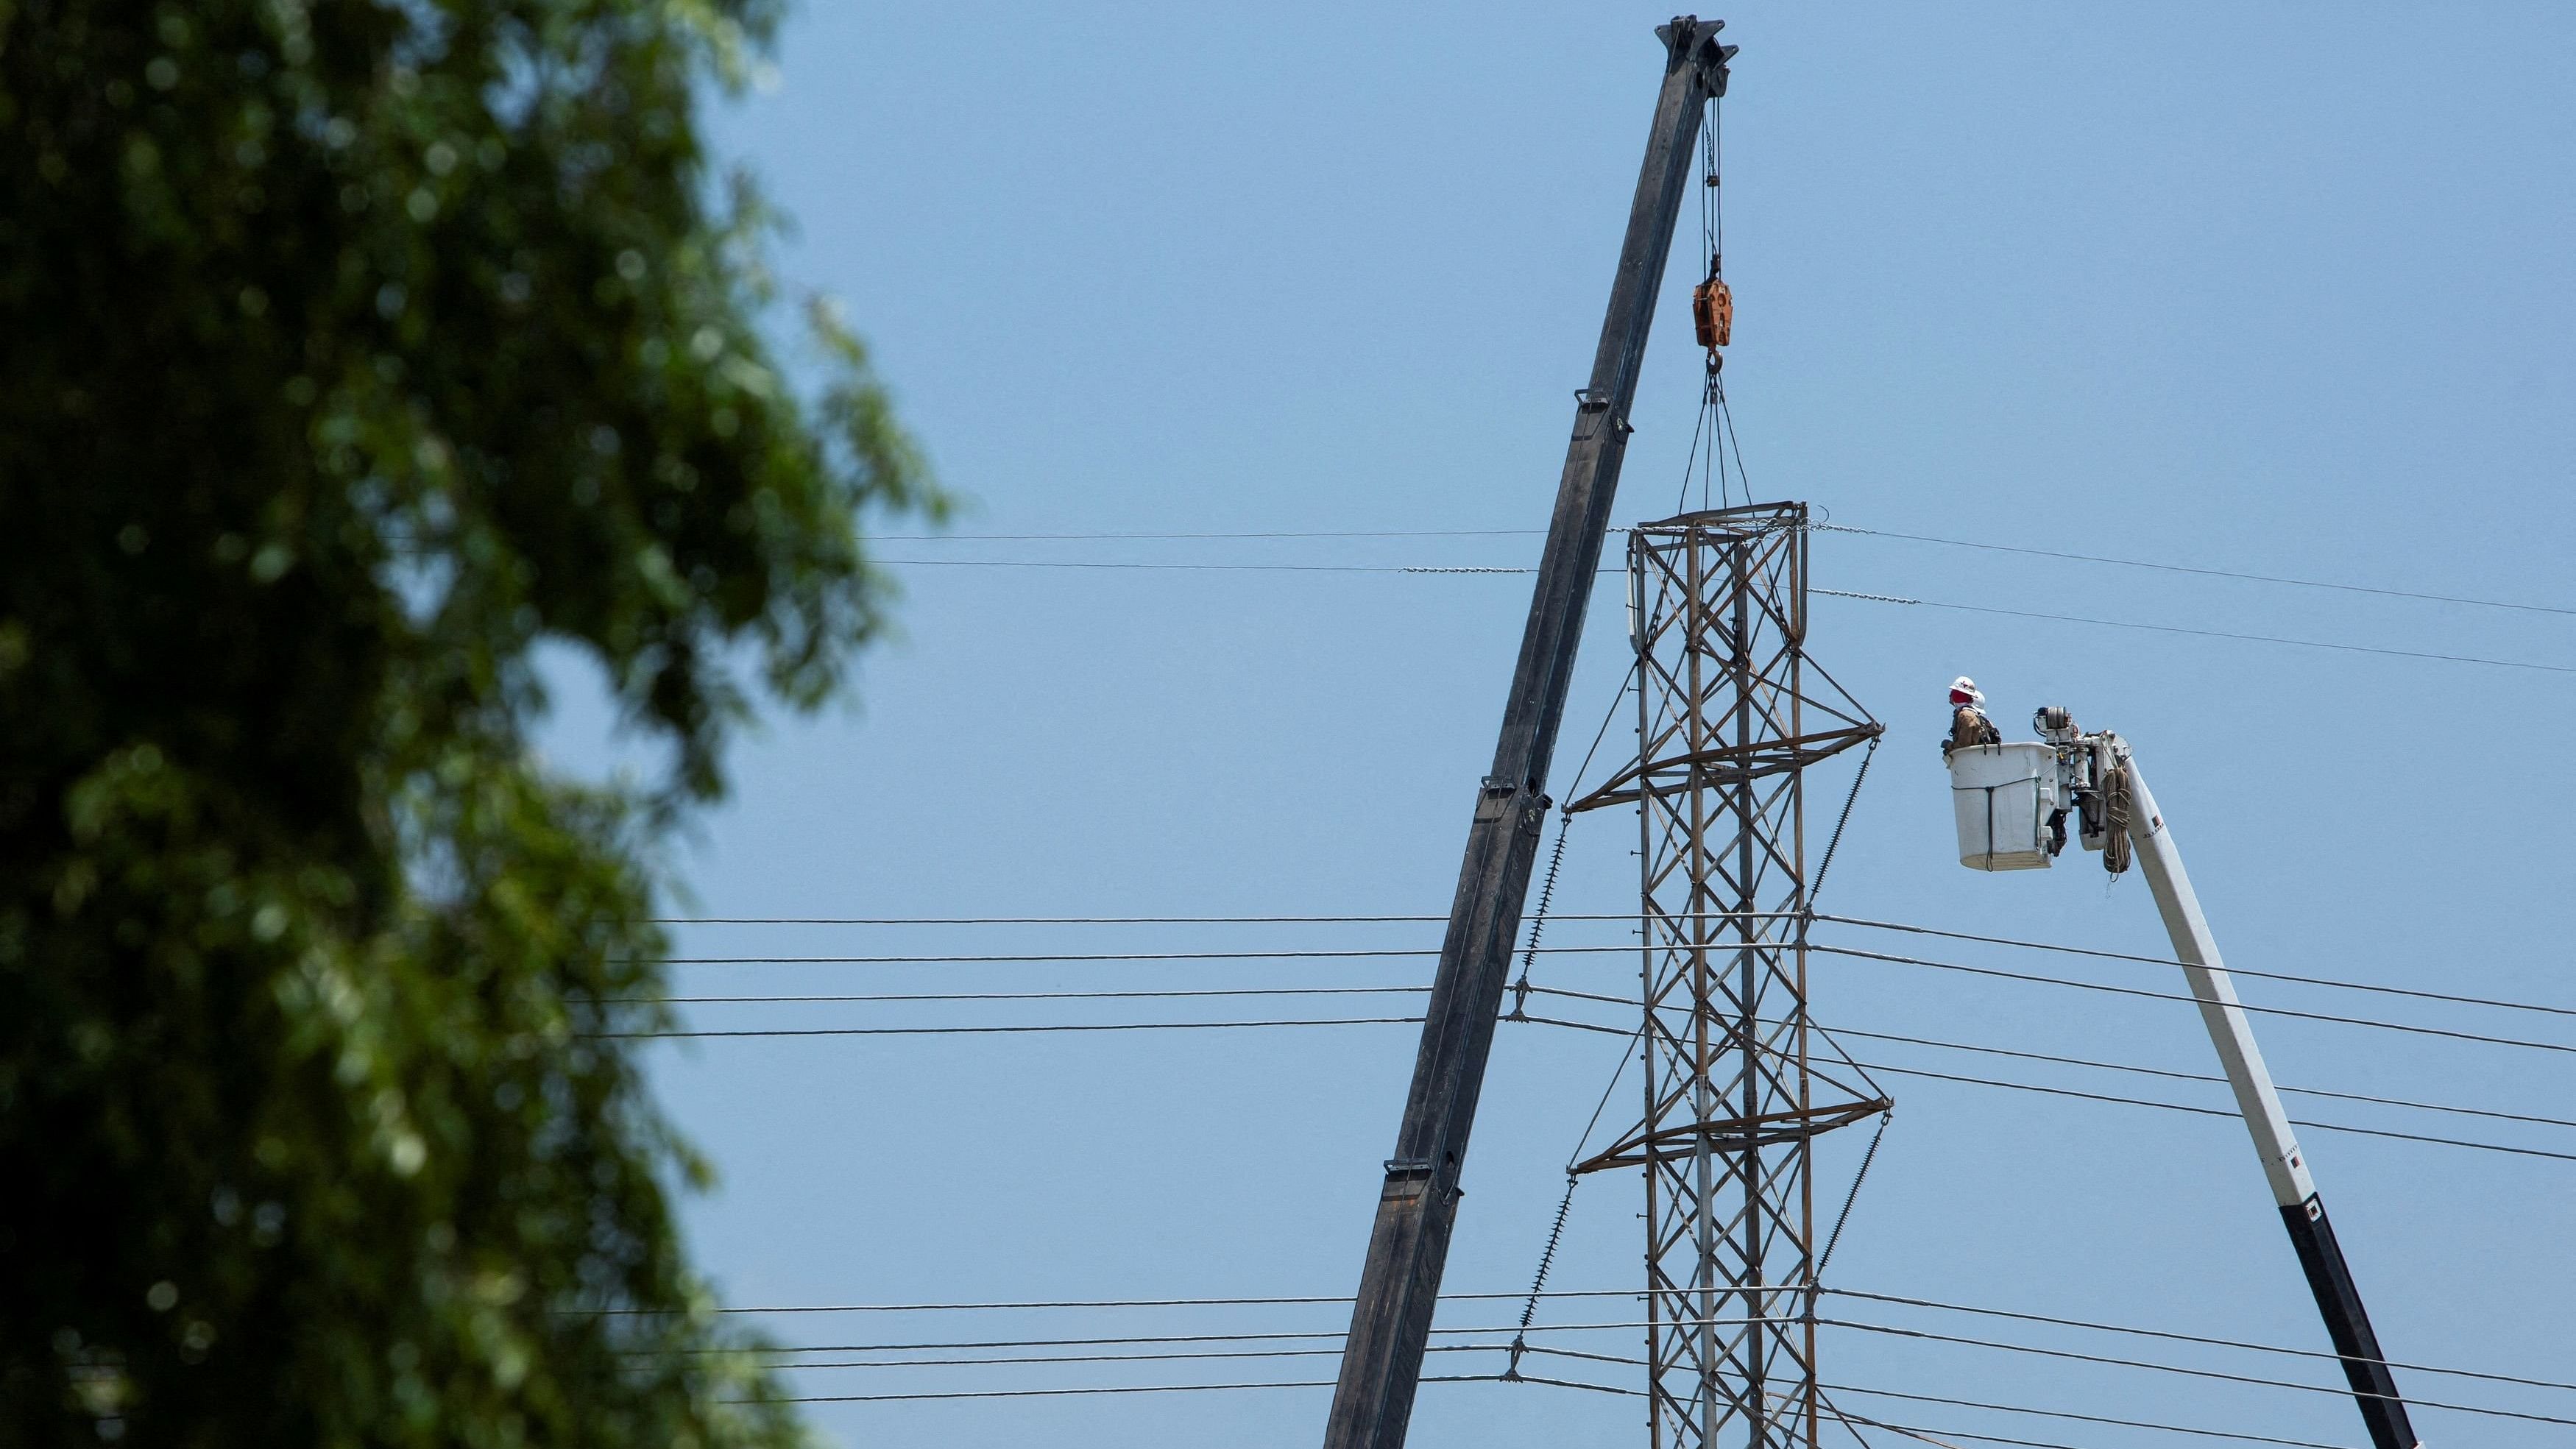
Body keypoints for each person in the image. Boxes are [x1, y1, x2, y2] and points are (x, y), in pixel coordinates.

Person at [1942, 675, 2000, 759]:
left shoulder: (1967, 715)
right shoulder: (1966, 714)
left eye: (1953, 693)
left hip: (1974, 759)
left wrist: (1949, 745)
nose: (1950, 696)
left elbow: (1964, 745)